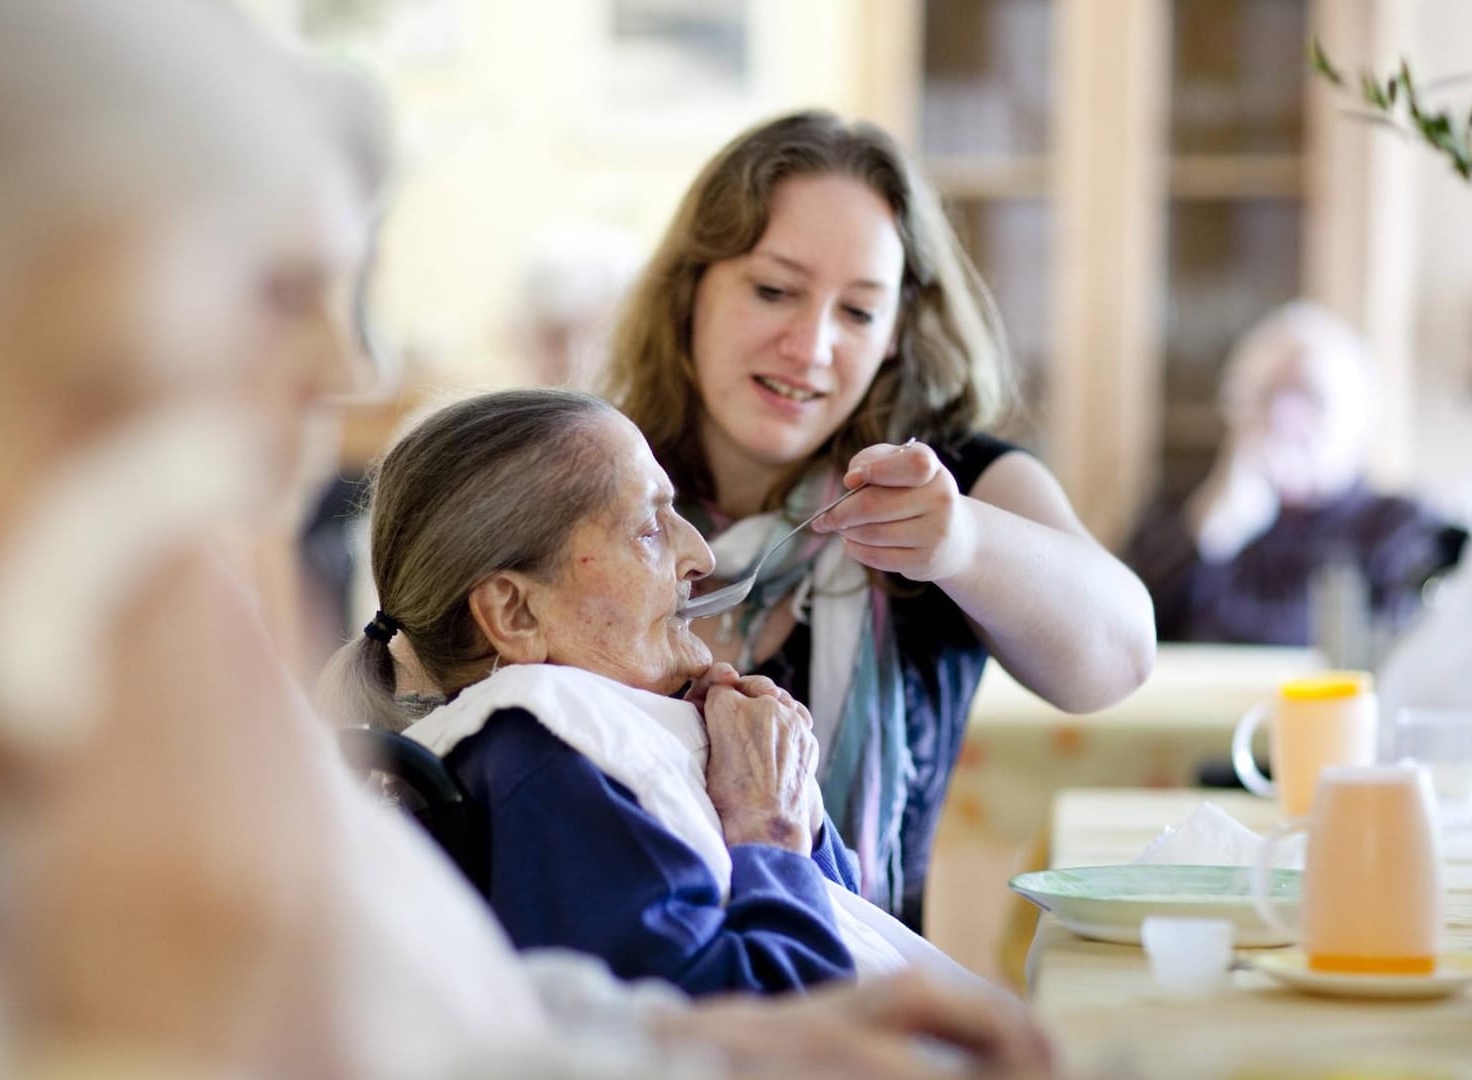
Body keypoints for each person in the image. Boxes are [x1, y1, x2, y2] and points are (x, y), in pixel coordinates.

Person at [0, 3, 1057, 1077]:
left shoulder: (158, 707)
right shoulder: (541, 745)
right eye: (267, 292)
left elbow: (440, 1013)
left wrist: (694, 1036)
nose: (350, 366)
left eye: (862, 308)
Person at [603, 110, 1156, 924]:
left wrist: (965, 544)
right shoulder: (596, 480)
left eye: (858, 312)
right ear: (689, 292)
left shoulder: (954, 484)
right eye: (774, 290)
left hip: (870, 1013)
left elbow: (1120, 658)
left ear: (898, 334)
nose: (812, 345)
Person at [320, 388, 1006, 998]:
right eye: (648, 529)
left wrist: (787, 793)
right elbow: (759, 1033)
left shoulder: (595, 740)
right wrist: (769, 829)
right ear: (516, 615)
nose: (701, 557)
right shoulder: (546, 757)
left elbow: (840, 925)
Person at [1126, 301, 1463, 649]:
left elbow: (1411, 650)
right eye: (1265, 396)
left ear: (1359, 419)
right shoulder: (1183, 509)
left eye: (1310, 397)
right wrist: (1209, 531)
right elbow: (1123, 631)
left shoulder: (1401, 528)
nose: (1282, 418)